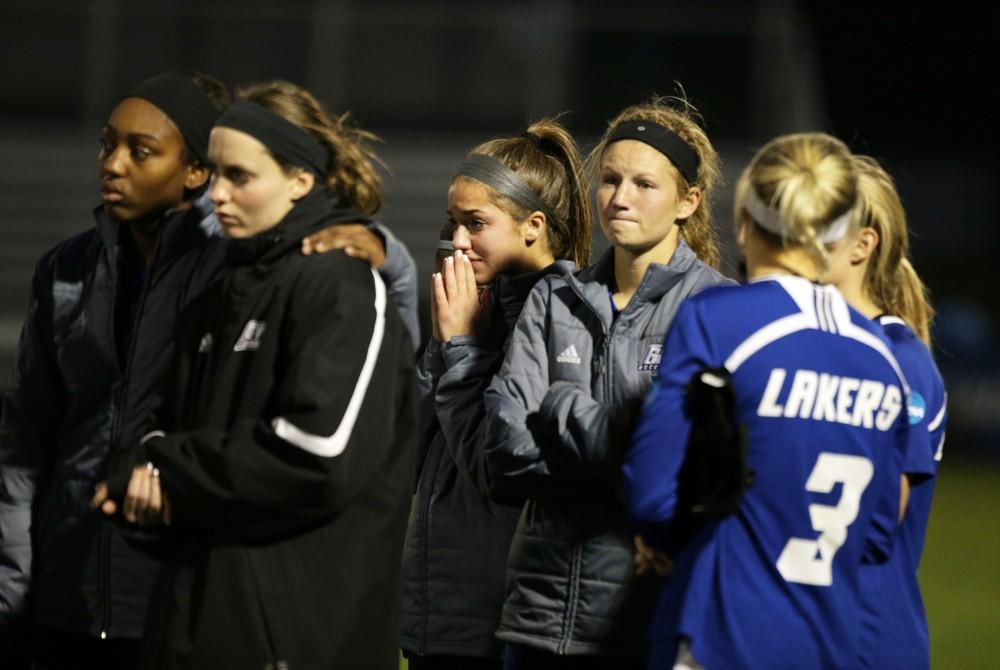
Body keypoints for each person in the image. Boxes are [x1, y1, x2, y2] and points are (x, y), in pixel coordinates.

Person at [96, 80, 416, 669]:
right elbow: (159, 434)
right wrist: (140, 486)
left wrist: (167, 467)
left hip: (296, 643)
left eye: (239, 177)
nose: (217, 194)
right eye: (214, 173)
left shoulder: (340, 284)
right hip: (193, 635)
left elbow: (317, 454)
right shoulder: (213, 299)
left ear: (300, 180)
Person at [624, 132, 911, 669]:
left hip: (722, 634)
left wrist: (671, 542)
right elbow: (877, 534)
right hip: (830, 645)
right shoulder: (884, 356)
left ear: (745, 223)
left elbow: (651, 492)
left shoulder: (719, 319)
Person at [482, 98, 731, 669]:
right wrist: (629, 457)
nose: (620, 197)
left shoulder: (717, 309)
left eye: (645, 184)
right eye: (611, 179)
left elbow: (690, 473)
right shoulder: (555, 297)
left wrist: (563, 410)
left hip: (648, 619)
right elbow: (505, 453)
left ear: (688, 201)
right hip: (538, 621)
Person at [0, 70, 230, 669]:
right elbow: (27, 434)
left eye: (141, 151)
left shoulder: (231, 272)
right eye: (107, 144)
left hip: (177, 595)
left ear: (197, 171)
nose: (113, 163)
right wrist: (14, 583)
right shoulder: (65, 268)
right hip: (62, 594)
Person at [399, 119, 592, 670]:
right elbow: (411, 455)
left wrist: (462, 348)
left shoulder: (566, 319)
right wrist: (446, 344)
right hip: (439, 615)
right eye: (451, 221)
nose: (456, 240)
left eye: (475, 223)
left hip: (499, 624)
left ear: (533, 225)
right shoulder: (474, 304)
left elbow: (495, 471)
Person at [821, 155, 946, 670]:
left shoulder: (901, 358)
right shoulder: (806, 340)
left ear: (863, 244)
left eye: (821, 220)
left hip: (867, 637)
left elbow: (877, 515)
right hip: (811, 629)